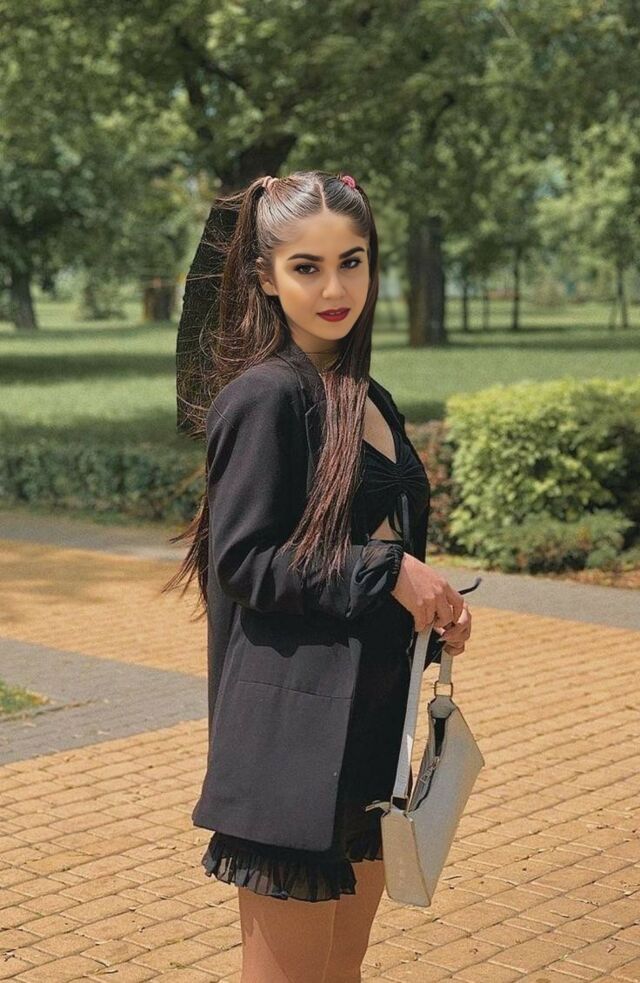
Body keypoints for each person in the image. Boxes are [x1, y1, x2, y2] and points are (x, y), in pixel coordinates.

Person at [164, 170, 474, 983]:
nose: (335, 289)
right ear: (266, 276)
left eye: (352, 261)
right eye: (307, 266)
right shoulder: (264, 397)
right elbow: (245, 561)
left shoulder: (368, 395)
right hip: (290, 743)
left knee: (342, 969)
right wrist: (388, 571)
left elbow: (370, 543)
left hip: (367, 733)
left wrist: (429, 602)